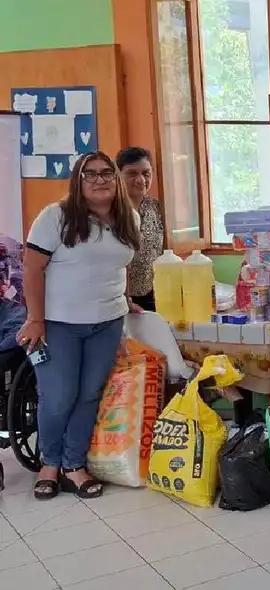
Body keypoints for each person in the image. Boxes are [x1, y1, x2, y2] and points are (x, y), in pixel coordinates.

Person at [17, 151, 143, 501]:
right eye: (90, 174)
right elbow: (31, 269)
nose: (100, 179)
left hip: (107, 322)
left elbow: (121, 265)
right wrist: (36, 319)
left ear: (115, 180)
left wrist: (126, 298)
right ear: (78, 181)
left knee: (89, 396)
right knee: (58, 398)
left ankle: (74, 465)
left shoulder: (127, 217)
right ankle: (49, 464)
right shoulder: (55, 217)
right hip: (60, 325)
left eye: (106, 173)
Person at [116, 147, 164, 312]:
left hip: (154, 294)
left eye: (146, 173)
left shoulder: (156, 207)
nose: (141, 180)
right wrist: (124, 297)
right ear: (118, 175)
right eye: (132, 173)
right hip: (118, 297)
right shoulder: (109, 210)